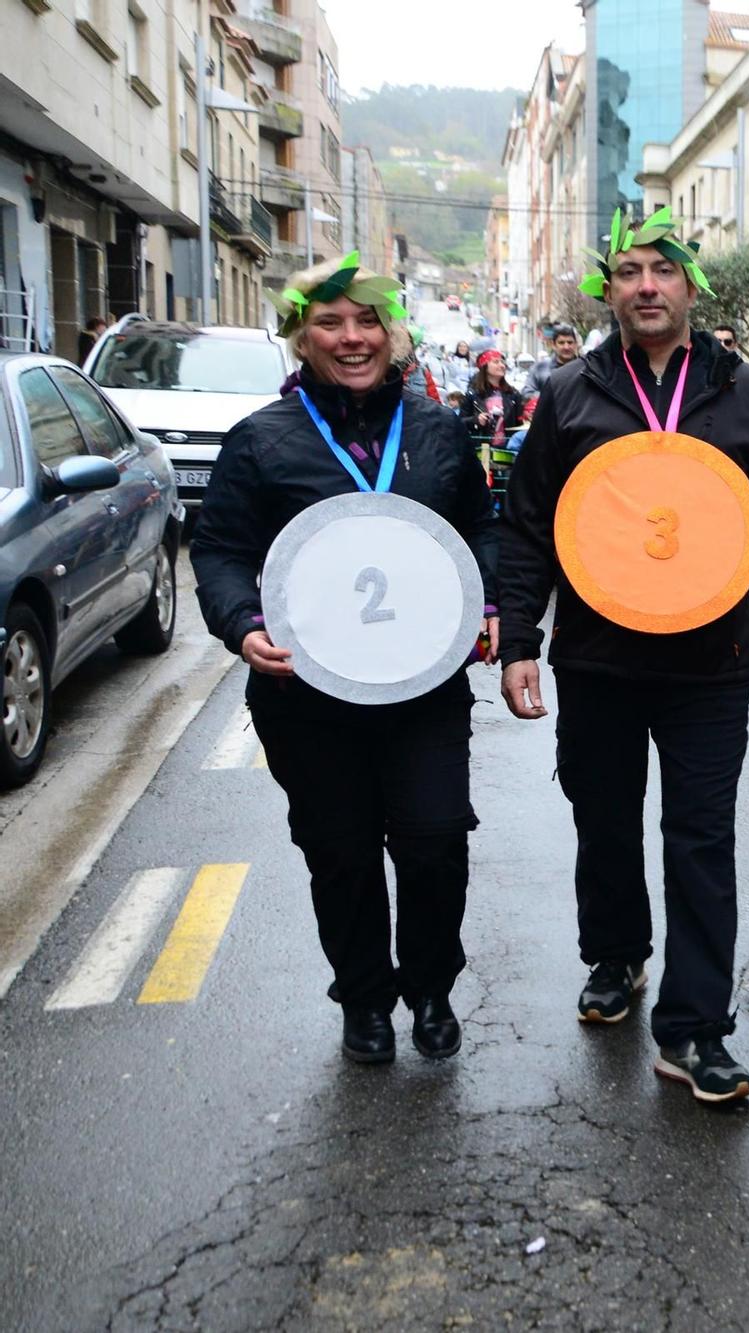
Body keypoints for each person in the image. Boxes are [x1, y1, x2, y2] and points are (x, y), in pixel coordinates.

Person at [496, 205, 749, 1105]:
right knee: (603, 823)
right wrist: (518, 640)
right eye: (629, 271)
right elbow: (527, 528)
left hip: (709, 664)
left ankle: (693, 1030)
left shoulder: (742, 393)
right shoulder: (568, 393)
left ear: (689, 286)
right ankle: (615, 954)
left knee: (701, 843)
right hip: (596, 659)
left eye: (662, 271)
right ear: (610, 287)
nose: (646, 286)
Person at [190, 252, 500, 1065]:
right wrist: (241, 621)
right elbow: (220, 547)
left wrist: (491, 602)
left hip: (423, 688)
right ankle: (363, 997)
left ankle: (430, 986)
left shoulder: (436, 431)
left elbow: (483, 528)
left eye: (368, 321)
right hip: (308, 693)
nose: (352, 338)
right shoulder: (262, 440)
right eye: (330, 322)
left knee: (434, 841)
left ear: (393, 334)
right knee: (342, 849)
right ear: (301, 336)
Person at [460, 349, 526, 469]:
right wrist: (476, 420)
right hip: (481, 451)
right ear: (485, 366)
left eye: (502, 362)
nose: (501, 365)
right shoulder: (472, 394)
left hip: (507, 453)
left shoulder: (513, 394)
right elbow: (460, 422)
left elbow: (520, 423)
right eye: (496, 362)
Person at [525, 324, 581, 398]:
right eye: (561, 343)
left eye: (570, 342)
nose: (566, 347)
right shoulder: (539, 368)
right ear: (553, 345)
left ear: (576, 344)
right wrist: (549, 399)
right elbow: (527, 393)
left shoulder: (584, 369)